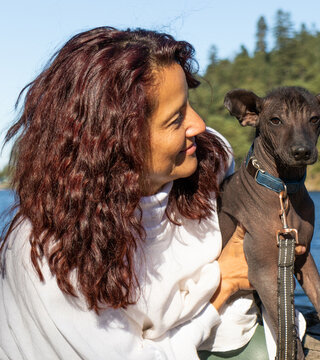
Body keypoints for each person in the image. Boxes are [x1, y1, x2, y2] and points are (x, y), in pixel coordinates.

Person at [0, 27, 271, 359]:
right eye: (175, 120)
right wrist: (222, 282)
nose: (199, 125)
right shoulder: (51, 254)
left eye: (189, 104)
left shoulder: (209, 159)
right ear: (114, 144)